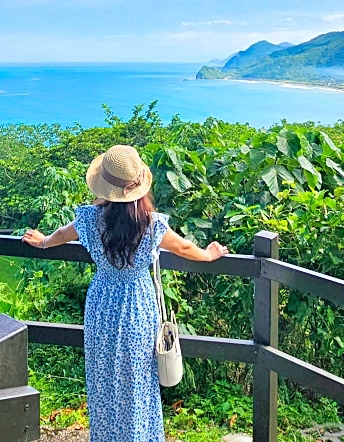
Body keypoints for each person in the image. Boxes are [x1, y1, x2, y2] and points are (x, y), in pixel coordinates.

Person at [22, 144, 229, 442]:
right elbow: (184, 248)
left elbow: (61, 236)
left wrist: (42, 243)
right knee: (138, 378)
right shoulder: (151, 225)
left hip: (102, 302)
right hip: (137, 304)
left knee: (104, 375)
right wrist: (209, 254)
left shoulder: (90, 219)